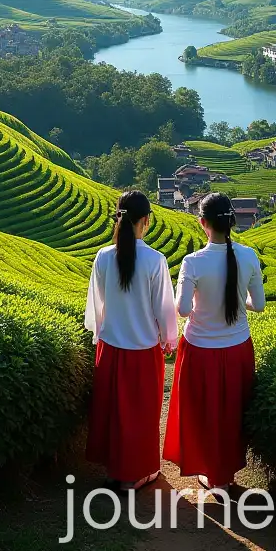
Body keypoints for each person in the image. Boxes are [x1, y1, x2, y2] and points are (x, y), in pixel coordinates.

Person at [163, 191, 266, 489]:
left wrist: (199, 305)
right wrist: (235, 299)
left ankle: (209, 471)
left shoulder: (192, 262)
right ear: (232, 221)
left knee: (203, 412)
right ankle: (225, 475)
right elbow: (257, 305)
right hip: (237, 348)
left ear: (202, 223)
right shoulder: (248, 256)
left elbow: (182, 309)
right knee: (232, 412)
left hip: (200, 348)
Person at [85, 189, 178, 489]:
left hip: (110, 347)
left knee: (113, 412)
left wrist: (103, 334)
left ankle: (115, 470)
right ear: (146, 221)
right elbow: (164, 308)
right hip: (142, 350)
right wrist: (169, 339)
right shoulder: (155, 260)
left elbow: (97, 305)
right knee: (140, 416)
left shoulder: (103, 257)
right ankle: (135, 475)